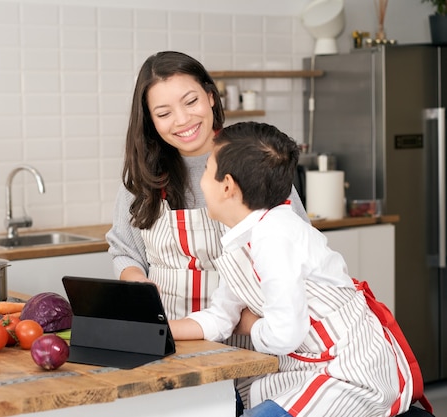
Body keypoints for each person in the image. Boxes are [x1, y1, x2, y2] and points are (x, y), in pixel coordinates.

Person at [169, 121, 417, 417]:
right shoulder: (241, 240)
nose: (200, 181)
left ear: (227, 186)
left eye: (207, 169)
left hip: (350, 372)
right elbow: (222, 317)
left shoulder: (275, 235)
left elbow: (285, 333)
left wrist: (249, 325)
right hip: (306, 368)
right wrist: (161, 329)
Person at [106, 51, 309, 323]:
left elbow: (298, 250)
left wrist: (259, 324)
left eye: (191, 101)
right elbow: (125, 250)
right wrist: (137, 281)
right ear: (150, 121)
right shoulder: (143, 173)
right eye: (164, 113)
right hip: (169, 334)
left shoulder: (253, 159)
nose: (182, 120)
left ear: (210, 96)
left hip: (252, 338)